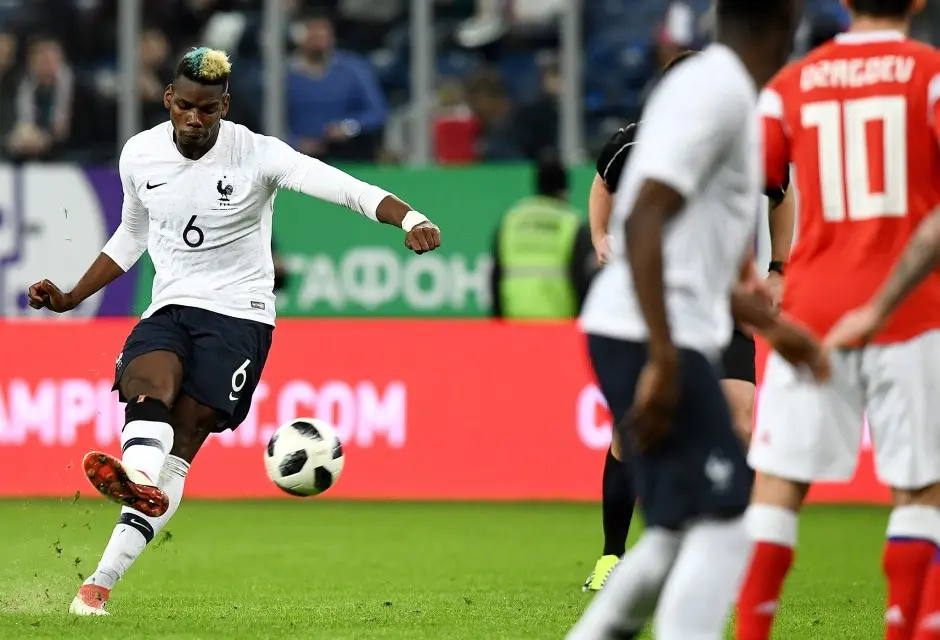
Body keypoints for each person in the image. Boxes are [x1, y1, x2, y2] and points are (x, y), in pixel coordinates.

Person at [25, 47, 441, 616]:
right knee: (149, 386)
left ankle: (100, 579)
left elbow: (343, 187)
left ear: (225, 107)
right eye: (185, 108)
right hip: (170, 305)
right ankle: (137, 481)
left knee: (185, 440)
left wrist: (411, 217)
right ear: (168, 100)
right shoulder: (139, 155)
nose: (195, 121)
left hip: (239, 317)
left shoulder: (259, 155)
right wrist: (73, 295)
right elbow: (131, 234)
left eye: (208, 111)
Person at [566, 1, 821, 637]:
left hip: (659, 323)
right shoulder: (725, 95)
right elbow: (646, 216)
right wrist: (661, 354)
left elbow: (681, 244)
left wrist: (777, 327)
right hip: (652, 330)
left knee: (685, 523)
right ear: (784, 25)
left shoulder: (715, 95)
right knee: (726, 514)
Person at [736, 2, 940, 639]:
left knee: (776, 486)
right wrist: (877, 308)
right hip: (911, 314)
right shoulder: (932, 74)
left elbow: (730, 201)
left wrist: (766, 313)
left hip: (810, 315)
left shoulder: (788, 87)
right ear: (916, 2)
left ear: (846, 2)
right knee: (919, 490)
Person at [490, 158, 597, 319]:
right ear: (564, 191)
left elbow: (496, 276)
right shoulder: (572, 224)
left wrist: (498, 321)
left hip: (514, 324)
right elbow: (584, 280)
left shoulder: (511, 220)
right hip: (559, 326)